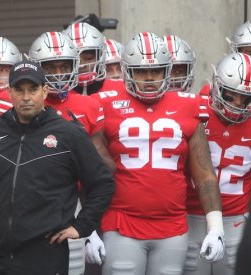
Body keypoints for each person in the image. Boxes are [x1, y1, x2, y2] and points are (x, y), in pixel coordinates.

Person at [0, 60, 115, 275]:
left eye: (33, 89)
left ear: (45, 91)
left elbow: (103, 183)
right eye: (19, 90)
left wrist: (82, 226)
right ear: (9, 92)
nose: (26, 97)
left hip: (45, 257)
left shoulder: (68, 134)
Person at [87, 32, 224, 275]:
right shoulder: (103, 103)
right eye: (141, 71)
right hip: (122, 222)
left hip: (173, 225)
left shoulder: (189, 105)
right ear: (127, 71)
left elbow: (204, 174)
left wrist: (215, 228)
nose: (149, 78)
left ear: (167, 70)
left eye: (156, 70)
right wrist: (88, 228)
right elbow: (88, 172)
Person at [184, 52, 251, 275]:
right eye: (231, 95)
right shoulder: (195, 110)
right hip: (191, 215)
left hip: (236, 219)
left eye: (246, 98)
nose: (238, 104)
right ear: (216, 86)